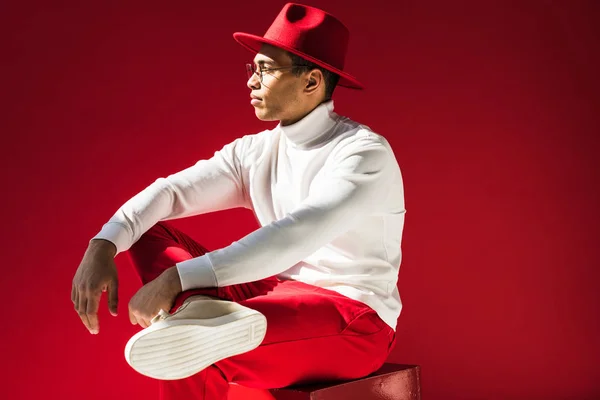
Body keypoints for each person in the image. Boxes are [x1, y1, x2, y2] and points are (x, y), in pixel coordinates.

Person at [71, 3, 406, 399]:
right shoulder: (255, 151)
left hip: (354, 322)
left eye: (266, 70)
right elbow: (171, 192)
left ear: (312, 82)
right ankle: (197, 318)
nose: (251, 81)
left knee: (188, 349)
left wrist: (177, 279)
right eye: (253, 69)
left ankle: (195, 322)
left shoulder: (363, 153)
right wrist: (103, 244)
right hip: (272, 299)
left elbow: (296, 233)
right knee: (146, 231)